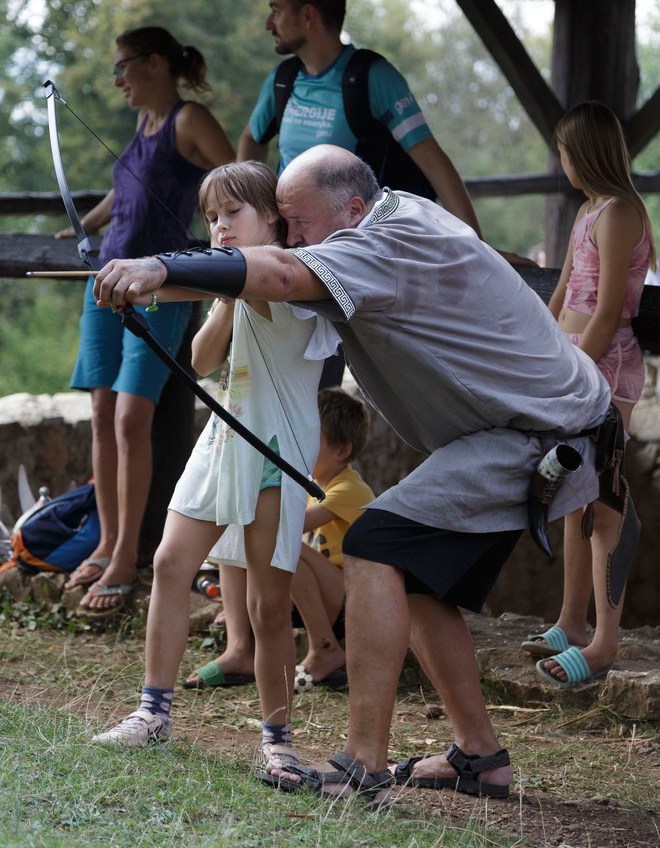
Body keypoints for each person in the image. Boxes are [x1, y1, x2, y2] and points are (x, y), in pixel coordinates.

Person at [93, 144, 614, 805]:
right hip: (536, 425)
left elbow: (278, 276)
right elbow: (250, 284)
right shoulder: (396, 218)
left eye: (300, 222)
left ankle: (364, 761)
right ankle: (480, 757)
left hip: (543, 430)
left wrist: (156, 263)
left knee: (374, 544)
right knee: (420, 583)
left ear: (355, 209)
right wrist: (150, 279)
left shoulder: (379, 244)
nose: (296, 237)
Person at [91, 162, 329, 779]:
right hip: (225, 439)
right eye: (213, 216)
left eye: (234, 214)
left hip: (275, 446)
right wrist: (145, 286)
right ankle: (153, 713)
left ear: (273, 219)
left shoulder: (295, 277)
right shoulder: (231, 281)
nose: (220, 227)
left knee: (269, 605)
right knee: (170, 562)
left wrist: (170, 281)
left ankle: (278, 743)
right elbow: (201, 360)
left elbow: (257, 287)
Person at [60, 26, 234, 616]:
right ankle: (110, 541)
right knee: (104, 412)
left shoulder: (190, 120)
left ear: (156, 64)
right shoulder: (144, 125)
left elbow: (239, 182)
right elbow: (125, 189)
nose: (118, 80)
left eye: (124, 67)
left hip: (160, 284)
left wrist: (221, 240)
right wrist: (86, 224)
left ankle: (125, 556)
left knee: (134, 415)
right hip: (106, 278)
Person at [521, 101, 656, 687]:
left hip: (607, 368)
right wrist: (543, 350)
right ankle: (571, 620)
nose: (562, 161)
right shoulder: (588, 210)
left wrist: (572, 367)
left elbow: (605, 312)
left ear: (587, 152)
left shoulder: (621, 212)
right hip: (575, 365)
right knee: (575, 496)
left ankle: (604, 643)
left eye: (566, 151)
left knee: (605, 503)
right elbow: (565, 297)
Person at [238, 0, 482, 234]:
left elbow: (435, 165)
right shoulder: (282, 79)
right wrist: (254, 211)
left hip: (357, 247)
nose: (269, 23)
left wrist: (478, 245)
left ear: (308, 16)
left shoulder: (374, 77)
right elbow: (251, 139)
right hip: (292, 242)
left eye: (276, 10)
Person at [183, 386, 374, 691]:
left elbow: (290, 525)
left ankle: (324, 646)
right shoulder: (309, 482)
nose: (295, 445)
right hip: (310, 596)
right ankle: (238, 647)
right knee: (240, 539)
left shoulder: (347, 489)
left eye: (306, 438)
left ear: (341, 451)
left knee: (279, 540)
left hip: (347, 603)